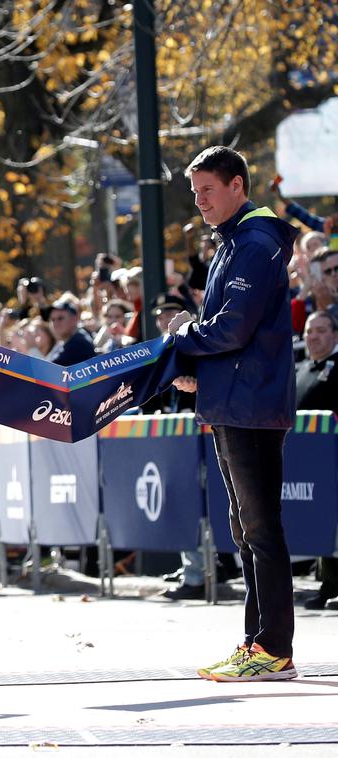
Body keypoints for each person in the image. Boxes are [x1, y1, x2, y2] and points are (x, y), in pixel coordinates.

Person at [167, 146, 299, 682]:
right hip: (236, 401)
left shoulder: (255, 241)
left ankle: (273, 649)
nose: (199, 201)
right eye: (195, 192)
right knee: (247, 529)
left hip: (252, 407)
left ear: (238, 185)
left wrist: (181, 336)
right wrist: (202, 376)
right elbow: (238, 336)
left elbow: (231, 328)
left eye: (207, 190)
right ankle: (258, 643)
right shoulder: (234, 240)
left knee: (260, 528)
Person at [295, 310, 338, 610]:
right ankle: (329, 584)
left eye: (321, 330)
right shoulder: (300, 369)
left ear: (335, 335)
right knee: (322, 524)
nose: (313, 336)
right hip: (308, 460)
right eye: (310, 331)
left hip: (333, 456)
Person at [45, 295, 96, 366]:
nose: (55, 323)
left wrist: (32, 348)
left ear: (74, 319)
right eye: (53, 320)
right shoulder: (64, 342)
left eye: (60, 318)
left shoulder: (79, 343)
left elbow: (48, 370)